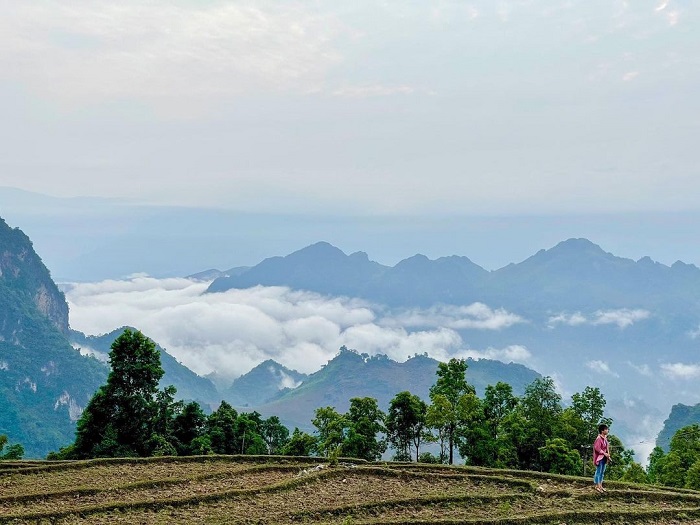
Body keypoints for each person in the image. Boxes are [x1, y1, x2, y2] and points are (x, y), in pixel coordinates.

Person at [593, 423, 611, 493]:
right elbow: (597, 448)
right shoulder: (599, 439)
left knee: (602, 472)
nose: (607, 430)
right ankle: (597, 485)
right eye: (606, 429)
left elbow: (607, 448)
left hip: (604, 458)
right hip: (599, 458)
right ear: (602, 431)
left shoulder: (605, 439)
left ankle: (600, 485)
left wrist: (608, 455)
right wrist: (604, 453)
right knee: (598, 471)